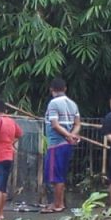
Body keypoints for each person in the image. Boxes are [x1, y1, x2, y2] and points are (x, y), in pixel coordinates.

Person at [42, 78, 81, 213]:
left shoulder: (53, 103)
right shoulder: (73, 104)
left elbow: (55, 124)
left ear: (51, 89)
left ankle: (57, 204)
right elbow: (77, 124)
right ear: (65, 89)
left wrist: (68, 136)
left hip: (56, 143)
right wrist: (72, 135)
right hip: (66, 145)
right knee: (61, 174)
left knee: (55, 176)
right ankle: (59, 203)